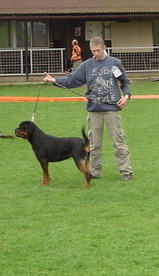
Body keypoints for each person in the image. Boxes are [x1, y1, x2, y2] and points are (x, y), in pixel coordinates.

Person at [43, 36, 133, 181]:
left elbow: (124, 82)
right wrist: (54, 80)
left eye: (98, 50)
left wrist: (126, 96)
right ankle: (95, 171)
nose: (95, 53)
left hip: (111, 110)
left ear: (104, 48)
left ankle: (126, 172)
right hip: (93, 110)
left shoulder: (114, 64)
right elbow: (72, 80)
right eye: (93, 51)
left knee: (118, 141)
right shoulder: (86, 65)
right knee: (93, 144)